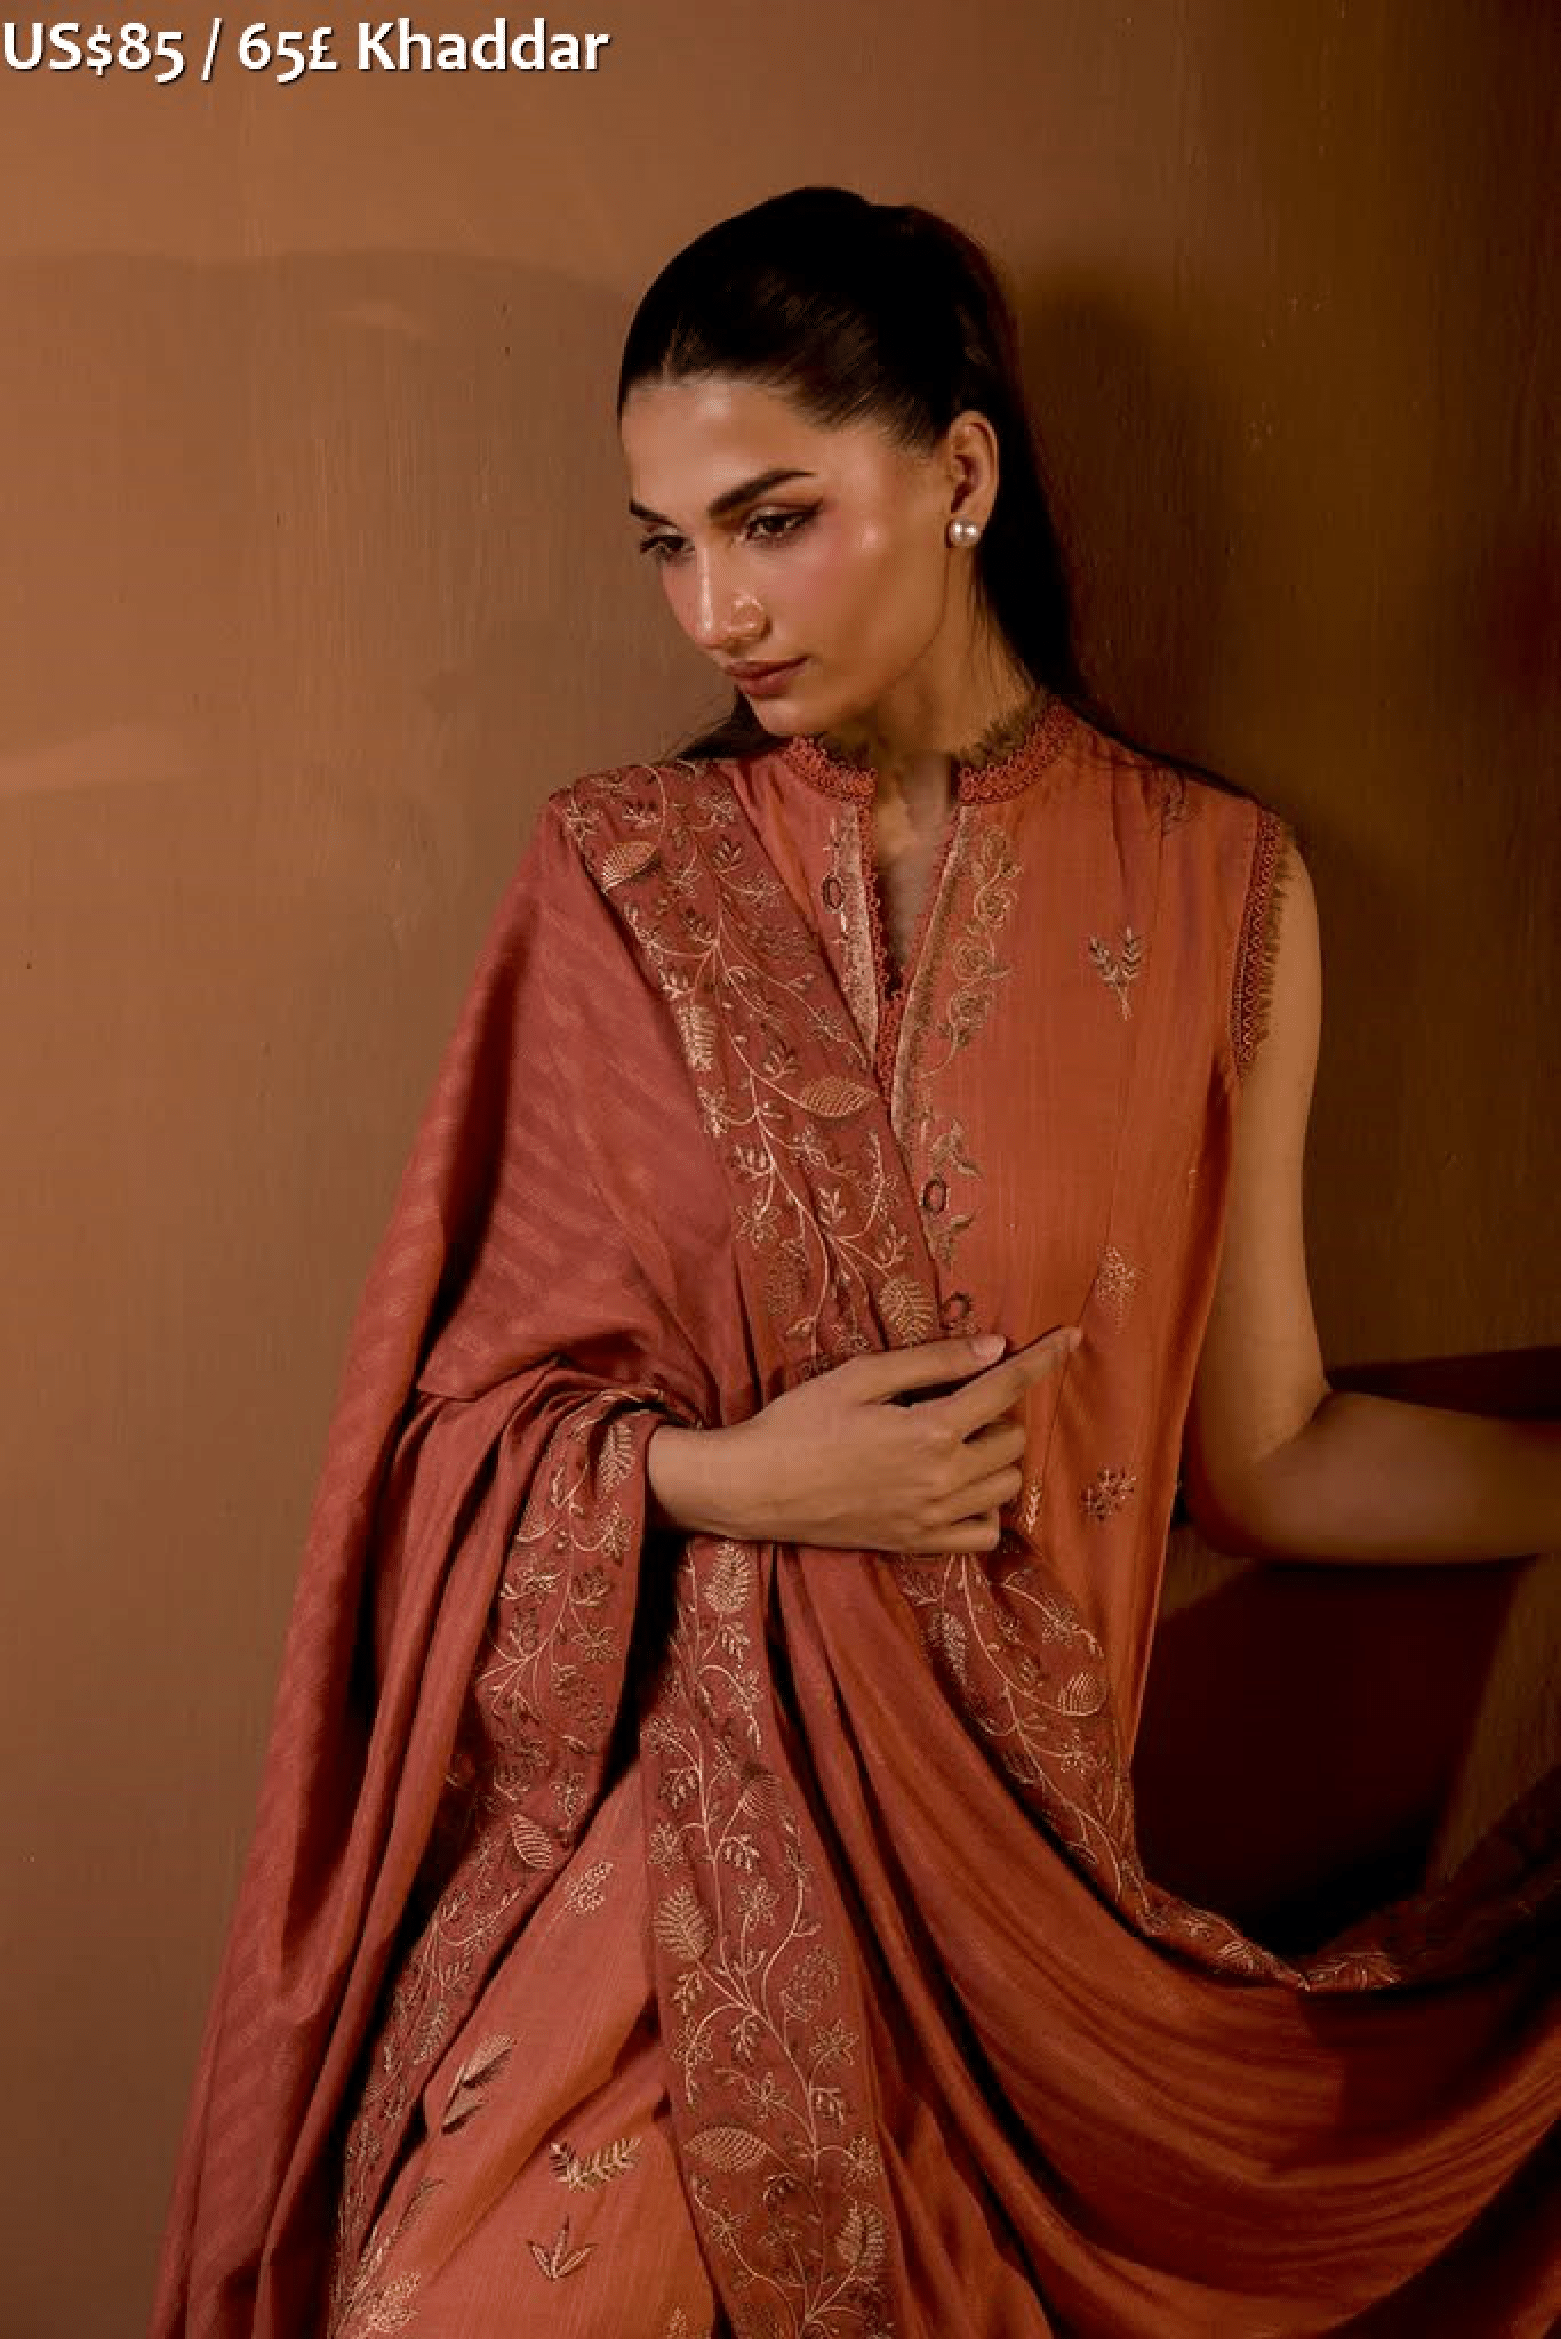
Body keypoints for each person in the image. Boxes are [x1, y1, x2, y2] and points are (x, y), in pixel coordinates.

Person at [151, 187, 1559, 2339]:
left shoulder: (1217, 893)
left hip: (1024, 1943)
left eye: (774, 519)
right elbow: (438, 1441)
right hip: (659, 1879)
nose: (713, 607)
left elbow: (1268, 1451)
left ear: (961, 471)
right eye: (667, 542)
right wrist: (743, 1478)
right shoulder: (620, 874)